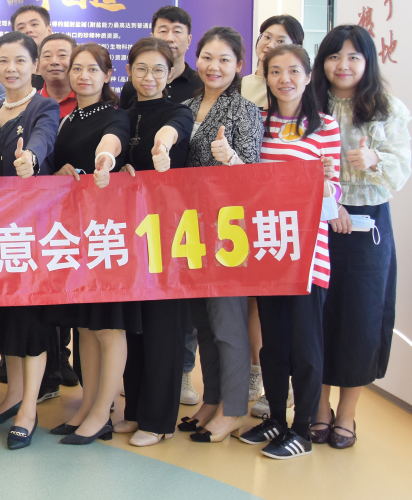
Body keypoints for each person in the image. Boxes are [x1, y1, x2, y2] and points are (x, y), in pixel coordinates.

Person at [230, 44, 339, 459]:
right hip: (267, 249)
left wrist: (325, 186)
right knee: (273, 344)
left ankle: (303, 430)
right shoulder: (259, 122)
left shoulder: (324, 126)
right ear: (265, 77)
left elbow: (333, 197)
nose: (284, 79)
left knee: (305, 346)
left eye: (293, 71)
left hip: (308, 255)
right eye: (275, 71)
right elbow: (248, 184)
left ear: (308, 76)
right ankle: (276, 418)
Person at [311, 25, 411, 450]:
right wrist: (328, 202)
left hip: (368, 226)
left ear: (367, 62)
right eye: (335, 56)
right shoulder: (309, 105)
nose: (343, 65)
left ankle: (347, 413)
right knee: (316, 316)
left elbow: (399, 171)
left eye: (353, 57)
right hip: (317, 221)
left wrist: (373, 160)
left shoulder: (387, 109)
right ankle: (318, 408)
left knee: (360, 319)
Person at [0, 31, 59, 451]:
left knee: (30, 320)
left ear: (34, 66)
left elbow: (43, 139)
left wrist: (31, 159)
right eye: (4, 60)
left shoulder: (44, 106)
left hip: (33, 230)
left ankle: (29, 411)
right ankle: (13, 397)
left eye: (21, 61)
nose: (11, 68)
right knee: (7, 318)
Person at [42, 44, 134, 446]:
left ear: (107, 75)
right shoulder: (66, 118)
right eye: (77, 69)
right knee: (84, 324)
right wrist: (59, 173)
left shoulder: (115, 115)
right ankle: (87, 406)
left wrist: (104, 160)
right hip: (74, 231)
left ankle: (103, 412)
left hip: (106, 232)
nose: (83, 76)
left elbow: (112, 142)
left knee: (109, 325)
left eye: (92, 69)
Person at [108, 37, 193, 448]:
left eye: (158, 69)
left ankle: (159, 420)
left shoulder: (178, 112)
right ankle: (136, 411)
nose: (149, 76)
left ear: (170, 73)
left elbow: (172, 133)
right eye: (141, 68)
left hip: (168, 234)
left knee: (163, 327)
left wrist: (163, 145)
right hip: (129, 234)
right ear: (129, 71)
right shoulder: (123, 115)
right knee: (135, 325)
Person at [180, 26, 263, 443]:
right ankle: (212, 400)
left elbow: (254, 176)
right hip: (188, 228)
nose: (214, 66)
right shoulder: (186, 106)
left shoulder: (244, 110)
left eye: (224, 60)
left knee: (227, 322)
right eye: (208, 58)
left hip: (227, 231)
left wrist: (230, 159)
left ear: (239, 66)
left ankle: (233, 409)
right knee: (204, 323)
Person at [120, 6, 200, 108]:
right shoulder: (134, 85)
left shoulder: (200, 85)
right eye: (163, 31)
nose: (169, 38)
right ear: (152, 37)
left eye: (177, 32)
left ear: (188, 40)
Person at [242, 15, 306, 110]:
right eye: (267, 37)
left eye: (281, 41)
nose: (270, 45)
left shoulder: (295, 88)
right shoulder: (239, 85)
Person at [37, 33, 79, 117]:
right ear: (38, 64)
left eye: (62, 55)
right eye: (47, 56)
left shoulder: (88, 100)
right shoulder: (30, 103)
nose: (54, 61)